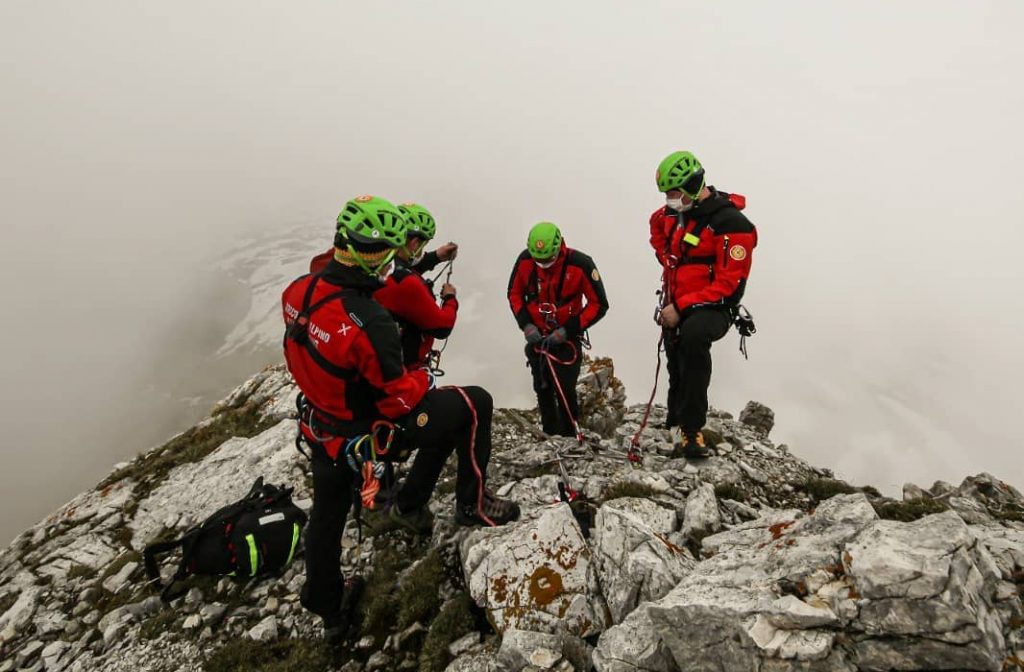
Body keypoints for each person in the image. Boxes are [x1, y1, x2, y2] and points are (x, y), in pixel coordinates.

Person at [282, 195, 519, 645]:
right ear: (376, 256)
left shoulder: (300, 289)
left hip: (321, 427)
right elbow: (395, 401)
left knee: (326, 517)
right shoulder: (371, 323)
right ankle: (472, 506)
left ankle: (329, 608)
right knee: (472, 405)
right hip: (368, 431)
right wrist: (418, 380)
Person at [650, 151, 757, 458]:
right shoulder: (672, 214)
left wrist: (682, 307)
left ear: (693, 185)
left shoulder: (732, 224)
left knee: (693, 340)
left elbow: (730, 285)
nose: (669, 199)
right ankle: (674, 420)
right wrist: (666, 259)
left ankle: (692, 430)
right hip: (677, 301)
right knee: (674, 357)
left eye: (674, 193)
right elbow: (656, 227)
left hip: (714, 306)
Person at [507, 222, 609, 437]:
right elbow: (514, 294)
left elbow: (598, 304)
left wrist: (568, 330)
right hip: (538, 337)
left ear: (558, 247)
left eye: (547, 259)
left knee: (565, 387)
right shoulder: (526, 260)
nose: (543, 263)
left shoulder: (580, 264)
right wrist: (526, 324)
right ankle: (549, 433)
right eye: (539, 259)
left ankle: (571, 433)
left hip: (567, 339)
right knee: (542, 386)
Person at [374, 203, 459, 370]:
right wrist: (450, 298)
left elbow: (402, 268)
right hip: (404, 368)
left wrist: (436, 257)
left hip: (376, 358)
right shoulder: (406, 283)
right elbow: (442, 327)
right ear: (414, 243)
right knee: (480, 397)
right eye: (422, 245)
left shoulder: (374, 262)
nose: (422, 250)